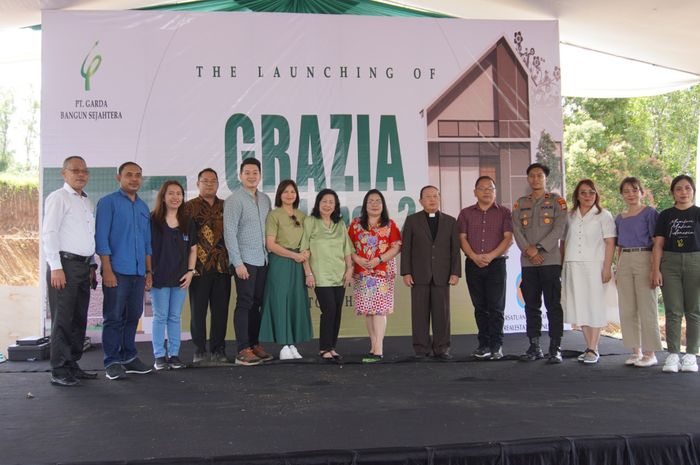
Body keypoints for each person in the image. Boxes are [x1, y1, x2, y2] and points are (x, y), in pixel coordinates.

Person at [95, 161, 153, 380]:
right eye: (129, 175)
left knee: (133, 316)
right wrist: (107, 271)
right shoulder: (108, 203)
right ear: (118, 177)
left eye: (138, 175)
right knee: (113, 317)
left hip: (139, 273)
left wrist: (149, 272)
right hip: (117, 271)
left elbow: (148, 243)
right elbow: (101, 239)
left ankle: (129, 357)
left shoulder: (143, 207)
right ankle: (112, 361)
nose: (134, 179)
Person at [43, 156, 97, 386]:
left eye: (84, 171)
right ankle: (59, 370)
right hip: (64, 266)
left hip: (84, 266)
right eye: (75, 170)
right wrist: (55, 267)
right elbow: (49, 233)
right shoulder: (58, 198)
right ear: (64, 173)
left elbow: (87, 237)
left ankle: (72, 364)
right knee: (63, 320)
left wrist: (92, 265)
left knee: (79, 318)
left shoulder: (87, 201)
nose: (80, 174)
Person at [512, 163, 567, 363]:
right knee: (531, 306)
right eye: (532, 176)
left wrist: (540, 248)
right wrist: (529, 251)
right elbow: (516, 230)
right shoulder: (520, 204)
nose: (535, 179)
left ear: (546, 179)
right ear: (528, 179)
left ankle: (555, 347)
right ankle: (534, 346)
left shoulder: (557, 202)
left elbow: (559, 229)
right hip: (528, 263)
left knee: (553, 305)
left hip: (550, 261)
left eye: (540, 176)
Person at [401, 186, 460, 360]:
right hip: (419, 274)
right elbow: (406, 249)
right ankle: (421, 349)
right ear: (420, 201)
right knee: (419, 313)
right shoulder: (412, 220)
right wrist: (406, 272)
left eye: (435, 196)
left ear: (439, 198)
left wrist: (455, 272)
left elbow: (454, 250)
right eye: (428, 197)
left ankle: (442, 348)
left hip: (442, 274)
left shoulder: (450, 221)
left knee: (442, 313)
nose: (432, 199)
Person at [223, 158, 273, 366]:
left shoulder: (265, 199)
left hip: (262, 259)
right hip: (244, 260)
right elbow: (229, 232)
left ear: (260, 175)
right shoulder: (234, 200)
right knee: (244, 303)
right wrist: (237, 262)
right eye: (247, 172)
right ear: (240, 175)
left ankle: (254, 345)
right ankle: (242, 350)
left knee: (257, 304)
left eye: (255, 172)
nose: (251, 176)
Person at [561, 179, 616, 364]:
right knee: (579, 306)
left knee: (594, 305)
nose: (587, 196)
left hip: (595, 265)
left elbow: (610, 243)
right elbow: (563, 242)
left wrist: (607, 268)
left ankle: (594, 348)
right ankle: (589, 347)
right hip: (572, 264)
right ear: (577, 195)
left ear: (596, 194)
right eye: (583, 192)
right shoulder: (569, 215)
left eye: (591, 192)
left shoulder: (604, 215)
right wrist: (562, 265)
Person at [458, 176, 513, 360]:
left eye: (490, 188)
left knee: (496, 307)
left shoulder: (504, 213)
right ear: (475, 192)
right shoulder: (465, 213)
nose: (487, 191)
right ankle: (483, 345)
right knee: (480, 306)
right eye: (482, 188)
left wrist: (490, 256)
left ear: (495, 192)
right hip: (473, 264)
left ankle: (497, 346)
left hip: (496, 264)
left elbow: (508, 238)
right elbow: (462, 238)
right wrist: (474, 256)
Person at [259, 180, 313, 359]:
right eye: (286, 191)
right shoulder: (274, 215)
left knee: (295, 302)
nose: (290, 195)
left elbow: (306, 243)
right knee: (280, 301)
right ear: (279, 195)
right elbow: (271, 245)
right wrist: (294, 256)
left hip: (298, 264)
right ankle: (283, 345)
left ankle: (292, 344)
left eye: (293, 191)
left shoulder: (302, 216)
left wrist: (305, 260)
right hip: (280, 262)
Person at [652, 175, 700, 374]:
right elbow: (658, 245)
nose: (683, 192)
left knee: (694, 311)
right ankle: (672, 354)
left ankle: (690, 355)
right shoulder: (665, 215)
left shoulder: (698, 213)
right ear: (672, 192)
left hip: (695, 261)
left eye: (688, 188)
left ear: (693, 191)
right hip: (670, 264)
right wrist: (655, 269)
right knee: (673, 310)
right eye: (679, 189)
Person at [184, 168, 231, 366]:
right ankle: (199, 349)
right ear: (198, 184)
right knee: (198, 311)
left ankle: (218, 349)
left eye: (213, 181)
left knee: (221, 311)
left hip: (222, 267)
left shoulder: (227, 206)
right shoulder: (188, 208)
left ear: (218, 184)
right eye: (205, 181)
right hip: (198, 268)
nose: (209, 184)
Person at [348, 189, 402, 362]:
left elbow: (396, 247)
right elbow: (347, 247)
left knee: (379, 311)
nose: (374, 204)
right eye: (370, 201)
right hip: (362, 272)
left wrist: (378, 259)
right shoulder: (355, 224)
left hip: (381, 272)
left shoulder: (390, 225)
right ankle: (373, 346)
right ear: (365, 204)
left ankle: (379, 349)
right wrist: (358, 259)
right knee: (369, 312)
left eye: (378, 201)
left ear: (383, 204)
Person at [301, 189, 353, 362]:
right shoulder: (310, 221)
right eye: (324, 201)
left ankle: (332, 347)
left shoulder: (340, 223)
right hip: (320, 275)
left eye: (331, 202)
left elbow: (347, 248)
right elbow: (304, 249)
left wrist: (349, 269)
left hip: (339, 273)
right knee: (329, 309)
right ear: (318, 203)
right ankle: (324, 348)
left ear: (336, 205)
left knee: (337, 311)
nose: (327, 205)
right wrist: (308, 273)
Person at [150, 181, 197, 371]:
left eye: (179, 193)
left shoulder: (188, 221)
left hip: (181, 278)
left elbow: (193, 249)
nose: (176, 197)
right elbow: (148, 251)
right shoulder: (153, 220)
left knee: (175, 317)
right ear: (163, 196)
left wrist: (191, 272)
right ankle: (159, 356)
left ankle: (174, 355)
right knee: (160, 316)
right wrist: (148, 273)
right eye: (171, 193)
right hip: (159, 277)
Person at [615, 177, 661, 367]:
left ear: (641, 192)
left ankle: (650, 353)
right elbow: (618, 246)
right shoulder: (619, 218)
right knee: (627, 308)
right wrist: (617, 268)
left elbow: (657, 241)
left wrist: (655, 268)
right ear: (622, 195)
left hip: (645, 257)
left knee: (647, 306)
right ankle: (636, 351)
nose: (631, 194)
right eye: (626, 191)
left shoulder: (650, 213)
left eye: (634, 190)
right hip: (624, 259)